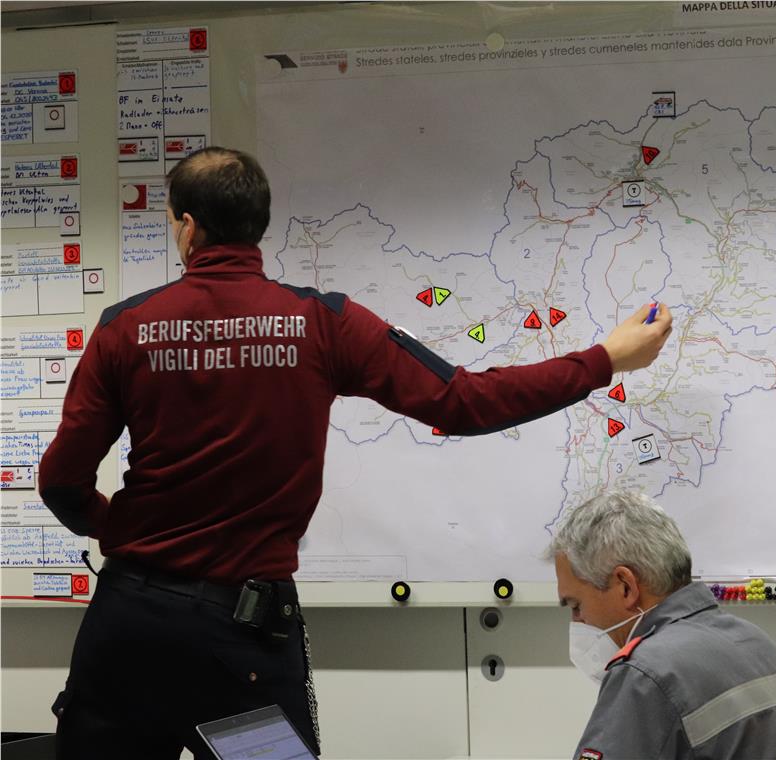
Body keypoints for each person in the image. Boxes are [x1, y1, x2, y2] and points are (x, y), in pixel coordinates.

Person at [37, 146, 673, 759]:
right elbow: (464, 402)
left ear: (186, 226)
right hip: (242, 640)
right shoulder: (324, 322)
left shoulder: (124, 327)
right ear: (258, 226)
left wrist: (125, 535)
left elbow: (62, 480)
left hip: (130, 630)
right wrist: (604, 360)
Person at [546, 490, 776, 760]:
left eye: (576, 606)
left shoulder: (645, 674)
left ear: (625, 586)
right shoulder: (755, 643)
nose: (577, 622)